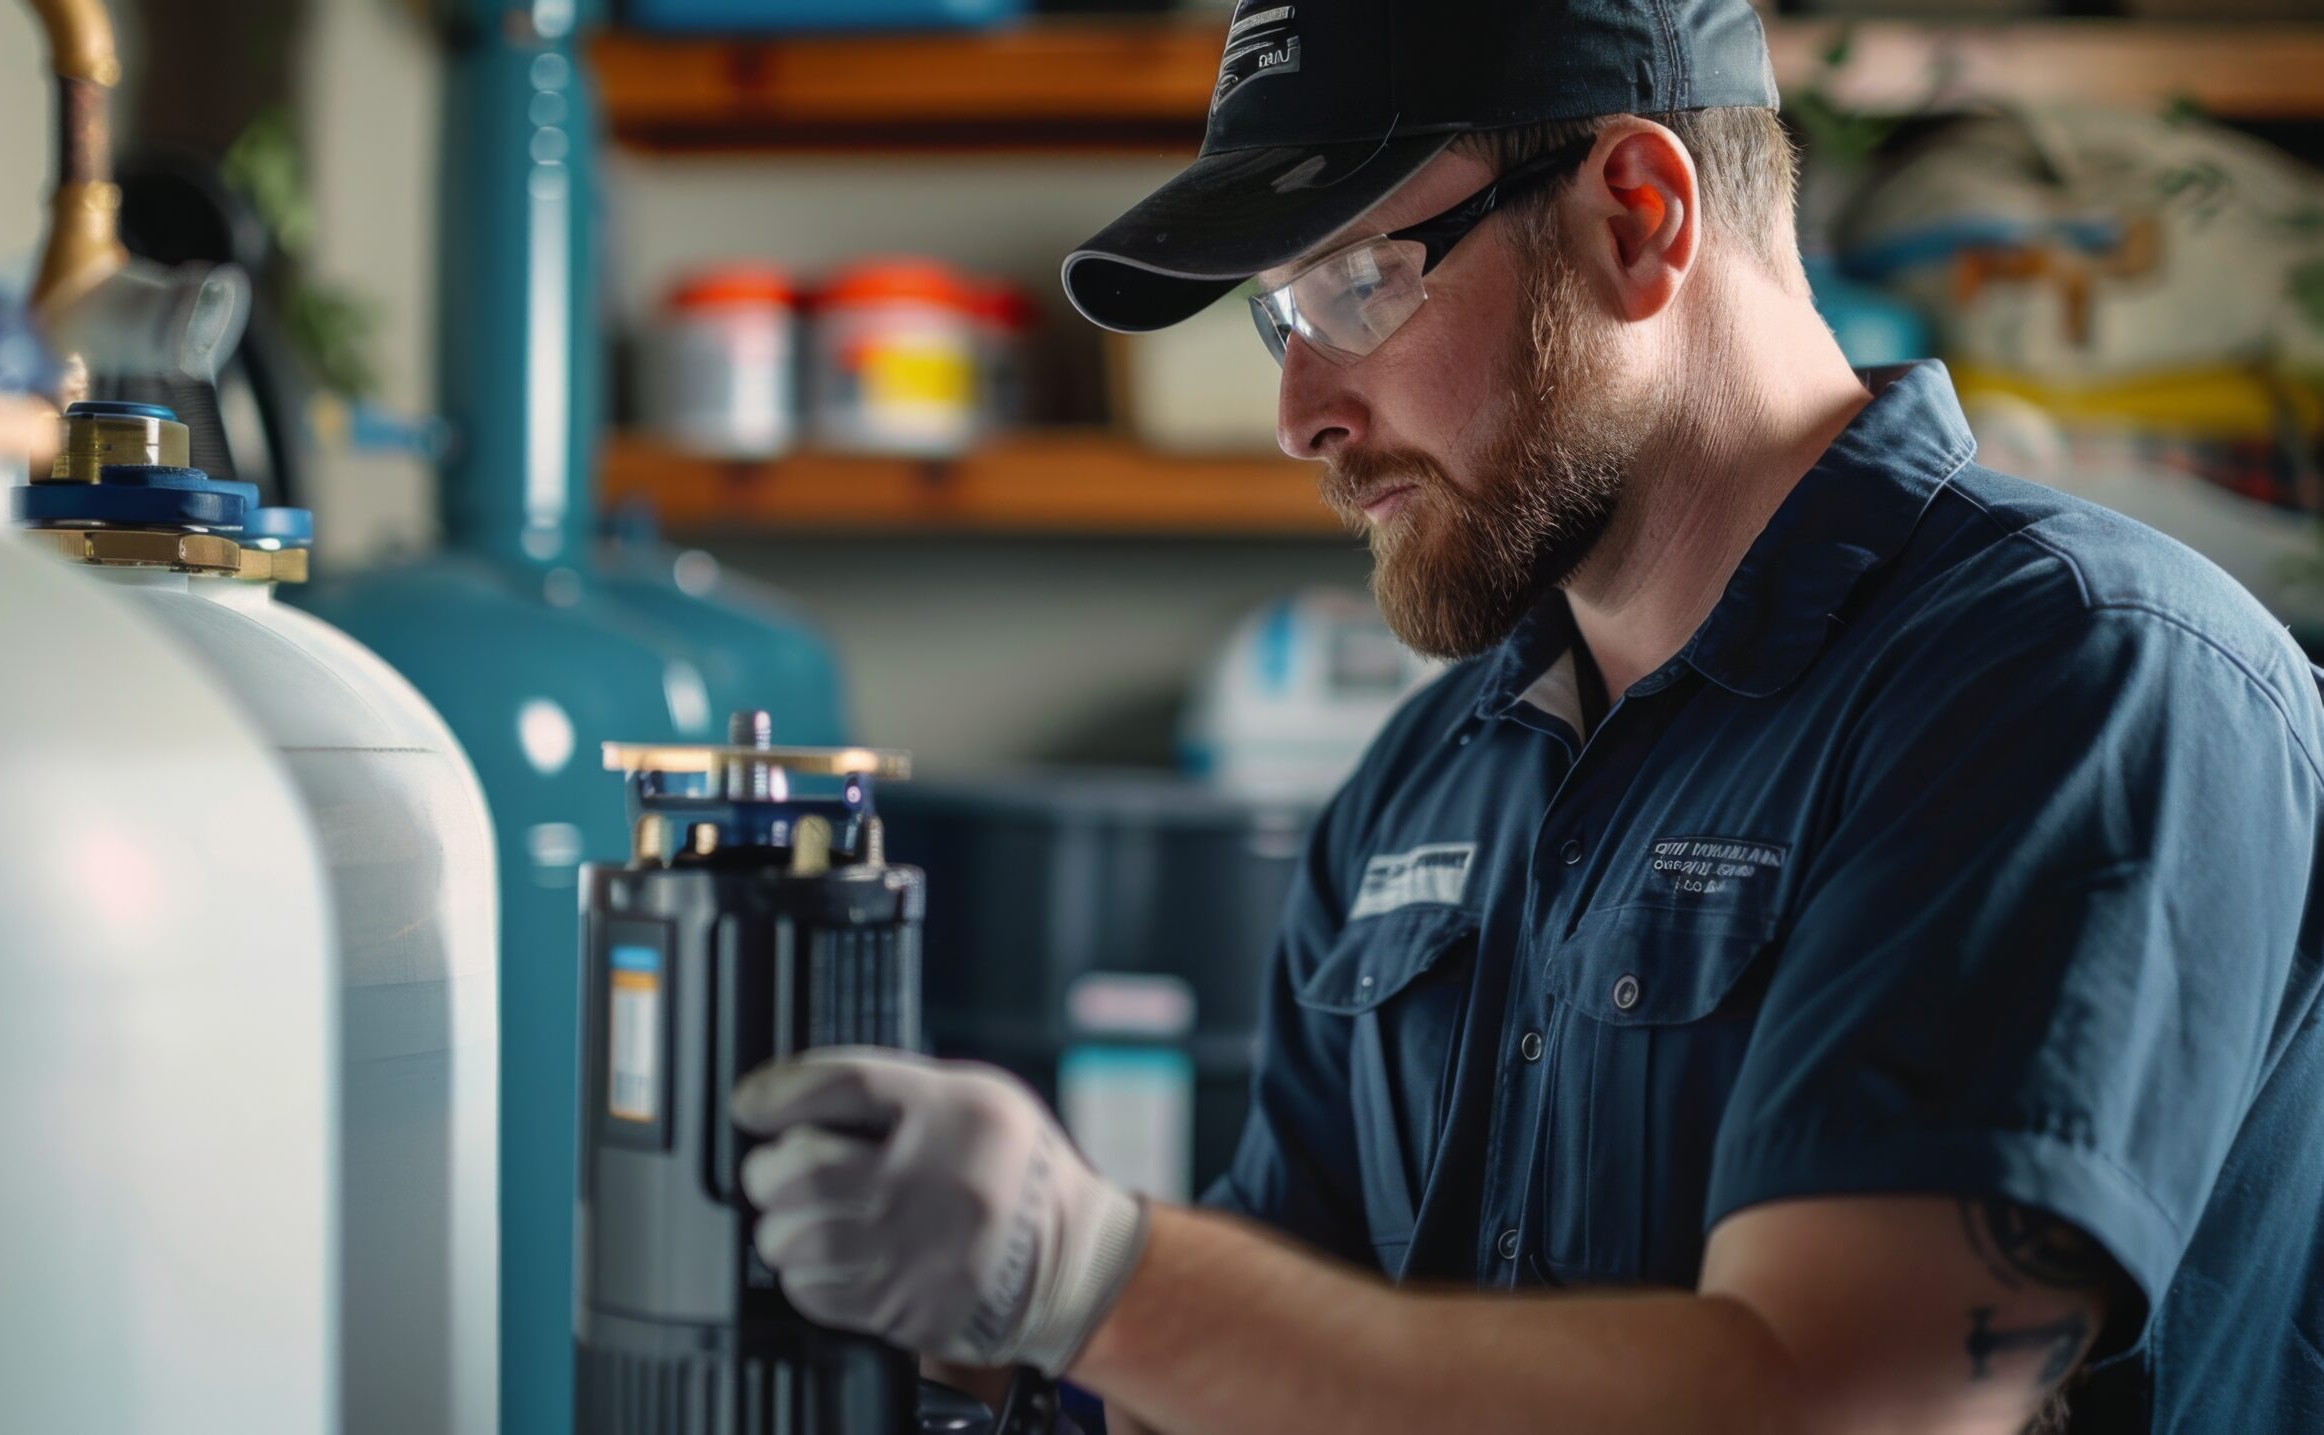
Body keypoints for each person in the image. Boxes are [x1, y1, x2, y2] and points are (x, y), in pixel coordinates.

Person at [730, 2, 2324, 1431]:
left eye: (1356, 285)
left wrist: (1092, 1281)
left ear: (1640, 217)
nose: (1300, 414)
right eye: (1278, 320)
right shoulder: (1424, 784)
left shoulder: (2076, 681)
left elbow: (1845, 1402)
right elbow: (1284, 1363)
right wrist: (995, 1348)